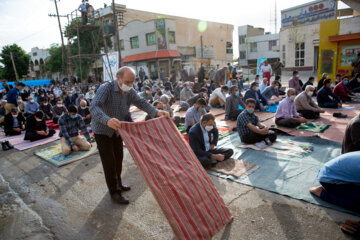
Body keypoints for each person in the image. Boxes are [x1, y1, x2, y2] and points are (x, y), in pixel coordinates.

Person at [90, 66, 169, 204]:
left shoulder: (129, 91)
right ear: (118, 78)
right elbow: (94, 107)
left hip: (117, 129)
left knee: (118, 158)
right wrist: (107, 120)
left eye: (132, 82)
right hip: (102, 130)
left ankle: (118, 183)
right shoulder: (106, 89)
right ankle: (114, 192)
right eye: (127, 82)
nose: (129, 85)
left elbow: (141, 102)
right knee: (109, 162)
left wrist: (156, 112)